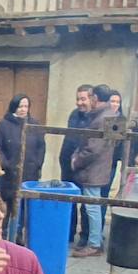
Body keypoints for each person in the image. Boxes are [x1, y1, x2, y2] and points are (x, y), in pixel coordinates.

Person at [67, 86, 115, 256]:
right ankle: (95, 241)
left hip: (93, 169)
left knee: (92, 207)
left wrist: (76, 160)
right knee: (93, 206)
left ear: (96, 98)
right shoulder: (108, 115)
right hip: (99, 168)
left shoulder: (101, 118)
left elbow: (93, 148)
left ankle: (94, 244)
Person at [0, 94, 47, 246]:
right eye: (20, 106)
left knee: (24, 206)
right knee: (8, 205)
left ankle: (18, 234)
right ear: (14, 107)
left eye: (26, 106)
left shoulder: (34, 125)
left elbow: (41, 147)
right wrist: (6, 164)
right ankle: (3, 234)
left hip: (30, 173)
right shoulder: (4, 125)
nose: (23, 109)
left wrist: (37, 163)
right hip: (10, 174)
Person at [60, 84, 93, 245]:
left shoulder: (94, 118)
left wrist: (79, 159)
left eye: (83, 99)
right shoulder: (74, 115)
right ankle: (69, 233)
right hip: (68, 164)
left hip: (85, 165)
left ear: (91, 99)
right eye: (78, 99)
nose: (80, 102)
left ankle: (85, 236)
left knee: (86, 204)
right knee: (69, 200)